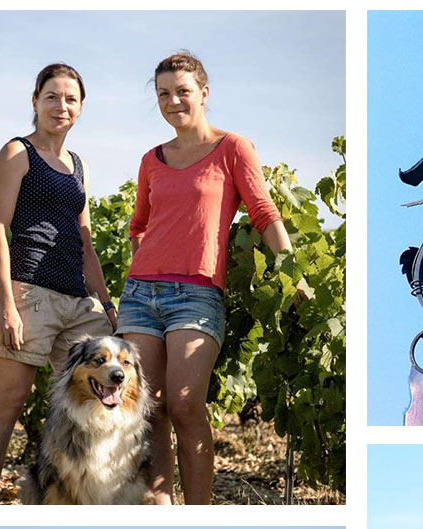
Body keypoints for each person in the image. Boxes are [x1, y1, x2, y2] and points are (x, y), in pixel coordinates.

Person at [119, 51, 293, 505]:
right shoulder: (151, 160)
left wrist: (292, 274)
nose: (172, 100)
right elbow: (139, 225)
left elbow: (263, 213)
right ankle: (160, 510)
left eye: (182, 91)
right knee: (147, 409)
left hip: (195, 296)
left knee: (183, 402)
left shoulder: (233, 148)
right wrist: (146, 268)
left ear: (204, 93)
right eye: (163, 94)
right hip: (140, 294)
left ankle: (199, 512)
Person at [0, 63, 116, 504]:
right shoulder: (18, 152)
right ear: (35, 101)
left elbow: (85, 240)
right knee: (7, 405)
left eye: (70, 98)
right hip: (29, 292)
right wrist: (8, 305)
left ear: (81, 108)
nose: (61, 105)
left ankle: (85, 498)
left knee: (104, 399)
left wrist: (106, 304)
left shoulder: (78, 167)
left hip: (77, 300)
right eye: (52, 96)